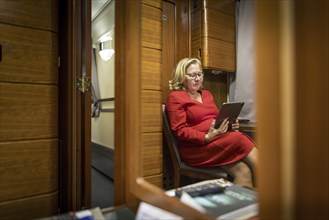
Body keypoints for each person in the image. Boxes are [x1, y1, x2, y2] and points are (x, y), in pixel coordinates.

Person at [166, 57, 258, 188]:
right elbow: (179, 130)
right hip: (196, 149)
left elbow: (215, 120)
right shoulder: (175, 97)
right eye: (192, 75)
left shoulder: (207, 94)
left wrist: (230, 126)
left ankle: (239, 207)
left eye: (199, 74)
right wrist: (206, 137)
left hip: (216, 142)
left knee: (243, 171)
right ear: (181, 77)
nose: (197, 79)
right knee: (240, 139)